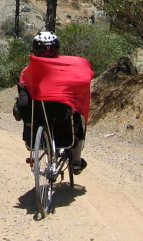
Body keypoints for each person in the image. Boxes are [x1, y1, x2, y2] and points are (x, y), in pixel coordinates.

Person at [13, 31, 93, 174]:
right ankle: (76, 162)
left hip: (36, 116)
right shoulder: (67, 67)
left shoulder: (27, 70)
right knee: (77, 119)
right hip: (61, 114)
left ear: (34, 50)